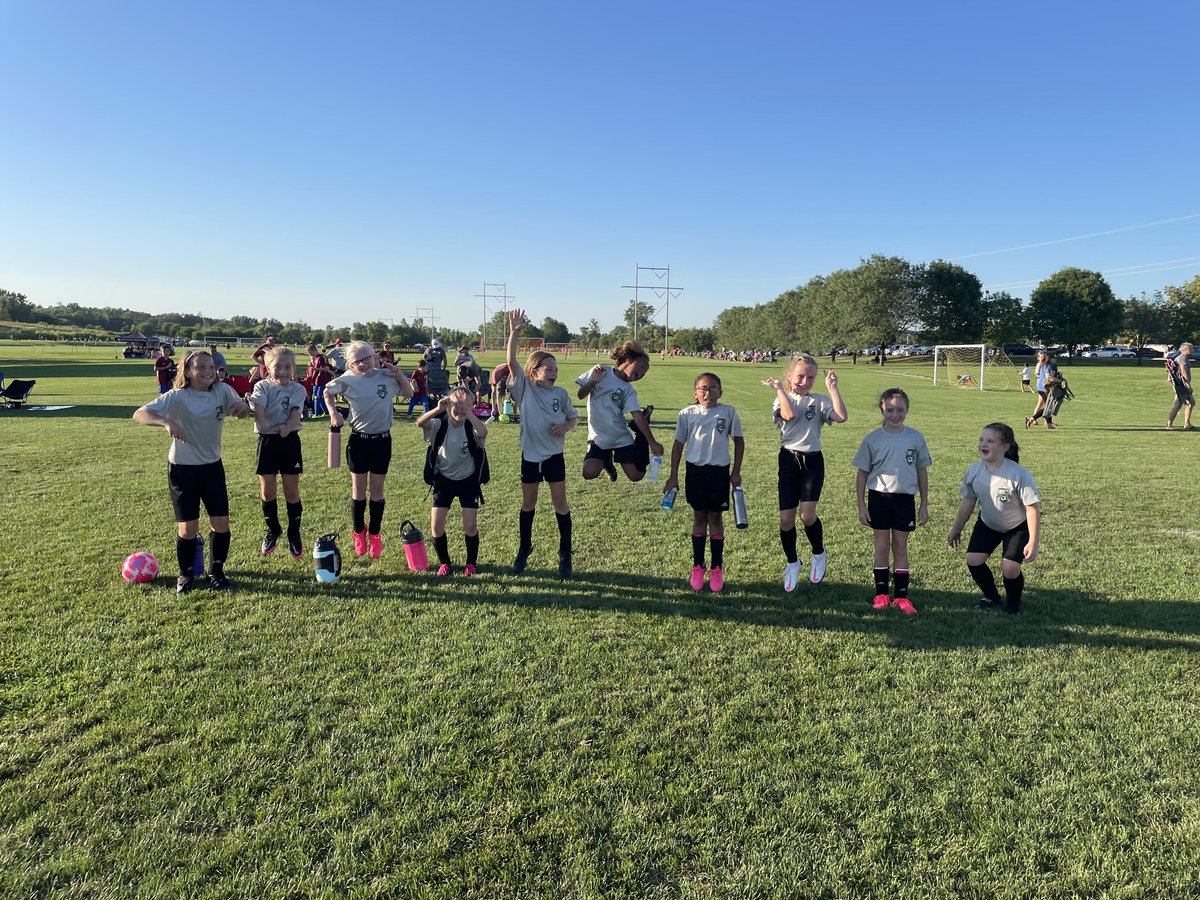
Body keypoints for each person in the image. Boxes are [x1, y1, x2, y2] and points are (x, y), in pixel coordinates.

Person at [132, 350, 250, 593]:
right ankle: (185, 575)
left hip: (212, 467)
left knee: (221, 523)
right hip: (182, 469)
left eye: (211, 366)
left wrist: (242, 409)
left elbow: (240, 409)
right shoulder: (177, 396)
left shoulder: (222, 390)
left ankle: (216, 571)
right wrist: (166, 422)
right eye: (201, 367)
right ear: (187, 371)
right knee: (188, 528)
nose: (208, 371)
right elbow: (139, 414)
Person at [762, 354, 848, 591]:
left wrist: (832, 388)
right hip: (788, 460)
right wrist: (780, 389)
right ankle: (793, 562)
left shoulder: (819, 401)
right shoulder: (781, 399)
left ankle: (818, 553)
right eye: (800, 375)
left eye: (810, 377)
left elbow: (841, 417)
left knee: (807, 516)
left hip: (812, 461)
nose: (805, 380)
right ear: (790, 375)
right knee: (786, 519)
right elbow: (790, 415)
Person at [505, 309, 580, 577]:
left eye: (556, 369)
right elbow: (512, 362)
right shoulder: (525, 388)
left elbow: (574, 419)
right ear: (534, 372)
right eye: (549, 369)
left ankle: (565, 554)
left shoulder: (560, 393)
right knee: (529, 504)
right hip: (530, 457)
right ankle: (524, 548)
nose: (554, 373)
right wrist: (514, 331)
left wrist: (566, 426)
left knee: (561, 504)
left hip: (554, 457)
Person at [323, 340, 413, 558]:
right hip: (358, 441)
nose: (362, 364)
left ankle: (374, 533)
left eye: (366, 358)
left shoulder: (385, 376)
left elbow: (409, 394)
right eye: (357, 361)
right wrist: (333, 412)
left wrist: (399, 375)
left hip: (382, 441)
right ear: (350, 364)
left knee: (377, 490)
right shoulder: (347, 380)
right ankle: (358, 532)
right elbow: (327, 391)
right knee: (358, 490)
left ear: (374, 357)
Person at [662, 372, 744, 593]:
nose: (708, 393)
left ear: (721, 392)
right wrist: (673, 475)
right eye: (704, 389)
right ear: (695, 392)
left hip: (718, 472)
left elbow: (738, 442)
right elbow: (678, 445)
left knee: (715, 517)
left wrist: (735, 472)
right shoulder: (687, 414)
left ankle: (717, 568)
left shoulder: (728, 412)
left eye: (714, 388)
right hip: (695, 472)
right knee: (699, 516)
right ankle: (698, 566)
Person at [947, 422, 1041, 614]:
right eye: (981, 440)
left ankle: (1014, 604)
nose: (984, 444)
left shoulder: (1018, 474)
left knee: (1009, 568)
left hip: (1017, 527)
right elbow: (968, 502)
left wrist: (1033, 541)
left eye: (990, 441)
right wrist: (956, 528)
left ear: (1005, 446)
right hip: (988, 523)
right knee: (973, 559)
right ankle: (992, 596)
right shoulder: (974, 471)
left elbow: (1032, 509)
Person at [852, 388, 931, 615]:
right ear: (882, 409)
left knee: (900, 547)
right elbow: (862, 474)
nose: (895, 414)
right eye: (890, 410)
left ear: (907, 410)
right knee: (881, 546)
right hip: (879, 497)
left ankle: (902, 597)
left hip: (905, 499)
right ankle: (881, 594)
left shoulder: (915, 437)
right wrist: (861, 505)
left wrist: (924, 504)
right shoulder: (873, 438)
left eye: (900, 409)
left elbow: (922, 471)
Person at [415, 387, 488, 576]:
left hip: (468, 482)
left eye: (466, 405)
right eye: (456, 405)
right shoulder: (440, 425)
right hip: (443, 482)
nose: (460, 409)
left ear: (472, 407)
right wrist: (437, 410)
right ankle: (445, 563)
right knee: (436, 526)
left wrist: (470, 414)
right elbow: (420, 423)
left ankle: (471, 563)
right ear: (448, 405)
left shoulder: (471, 427)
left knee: (470, 525)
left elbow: (483, 431)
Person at [248, 347, 308, 558]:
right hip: (267, 442)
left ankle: (294, 532)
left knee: (291, 491)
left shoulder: (298, 390)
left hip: (289, 440)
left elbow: (295, 413)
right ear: (267, 367)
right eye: (278, 366)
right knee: (267, 492)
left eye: (287, 367)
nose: (283, 371)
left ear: (293, 368)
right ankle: (273, 529)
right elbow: (259, 410)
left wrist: (289, 426)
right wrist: (263, 423)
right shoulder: (262, 386)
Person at [576, 340, 663, 482]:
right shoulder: (600, 371)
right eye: (641, 367)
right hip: (598, 438)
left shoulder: (628, 390)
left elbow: (636, 415)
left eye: (644, 372)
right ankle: (606, 460)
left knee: (636, 475)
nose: (642, 373)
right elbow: (580, 395)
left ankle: (639, 435)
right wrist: (593, 381)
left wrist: (652, 442)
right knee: (589, 473)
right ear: (628, 359)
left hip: (619, 437)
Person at [1166, 342, 1195, 430]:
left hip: (1180, 384)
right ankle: (1169, 425)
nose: (1193, 350)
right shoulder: (1183, 358)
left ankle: (1187, 424)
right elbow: (1183, 372)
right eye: (1191, 348)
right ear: (1185, 349)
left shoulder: (1180, 357)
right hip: (1182, 385)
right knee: (1180, 404)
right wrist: (1188, 385)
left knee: (1190, 403)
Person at [1026, 351, 1058, 428]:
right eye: (1054, 357)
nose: (1056, 359)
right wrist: (1060, 381)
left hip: (1043, 388)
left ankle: (1049, 425)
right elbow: (1049, 377)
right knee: (1049, 407)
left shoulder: (1048, 365)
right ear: (1050, 358)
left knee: (1049, 406)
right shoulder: (1048, 365)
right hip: (1044, 388)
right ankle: (1031, 419)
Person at [305, 342, 336, 417]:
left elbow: (325, 368)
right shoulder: (315, 358)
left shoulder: (321, 357)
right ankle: (323, 412)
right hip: (315, 380)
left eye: (310, 353)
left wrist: (314, 369)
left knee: (318, 396)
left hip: (322, 379)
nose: (310, 355)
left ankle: (318, 413)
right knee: (315, 396)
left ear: (314, 350)